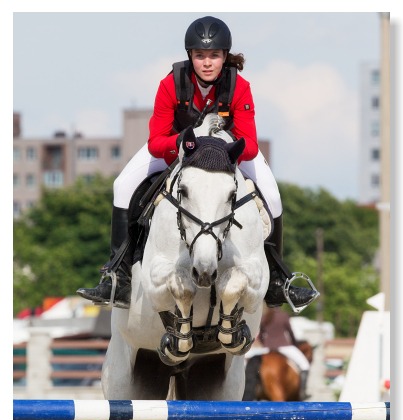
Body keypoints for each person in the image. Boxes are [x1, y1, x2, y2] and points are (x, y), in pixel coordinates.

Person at [77, 15, 318, 311]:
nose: (207, 62)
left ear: (224, 57)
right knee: (123, 184)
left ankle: (279, 281)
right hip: (175, 150)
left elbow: (251, 146)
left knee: (272, 193)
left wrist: (216, 148)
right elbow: (156, 141)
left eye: (214, 56)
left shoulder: (239, 86)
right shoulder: (171, 84)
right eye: (200, 55)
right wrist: (181, 144)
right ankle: (119, 276)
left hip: (226, 154)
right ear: (190, 56)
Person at [256, 305, 311, 399]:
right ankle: (302, 392)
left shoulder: (264, 317)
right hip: (284, 346)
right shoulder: (284, 316)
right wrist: (295, 344)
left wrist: (265, 344)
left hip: (266, 348)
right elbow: (290, 332)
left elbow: (260, 336)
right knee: (305, 365)